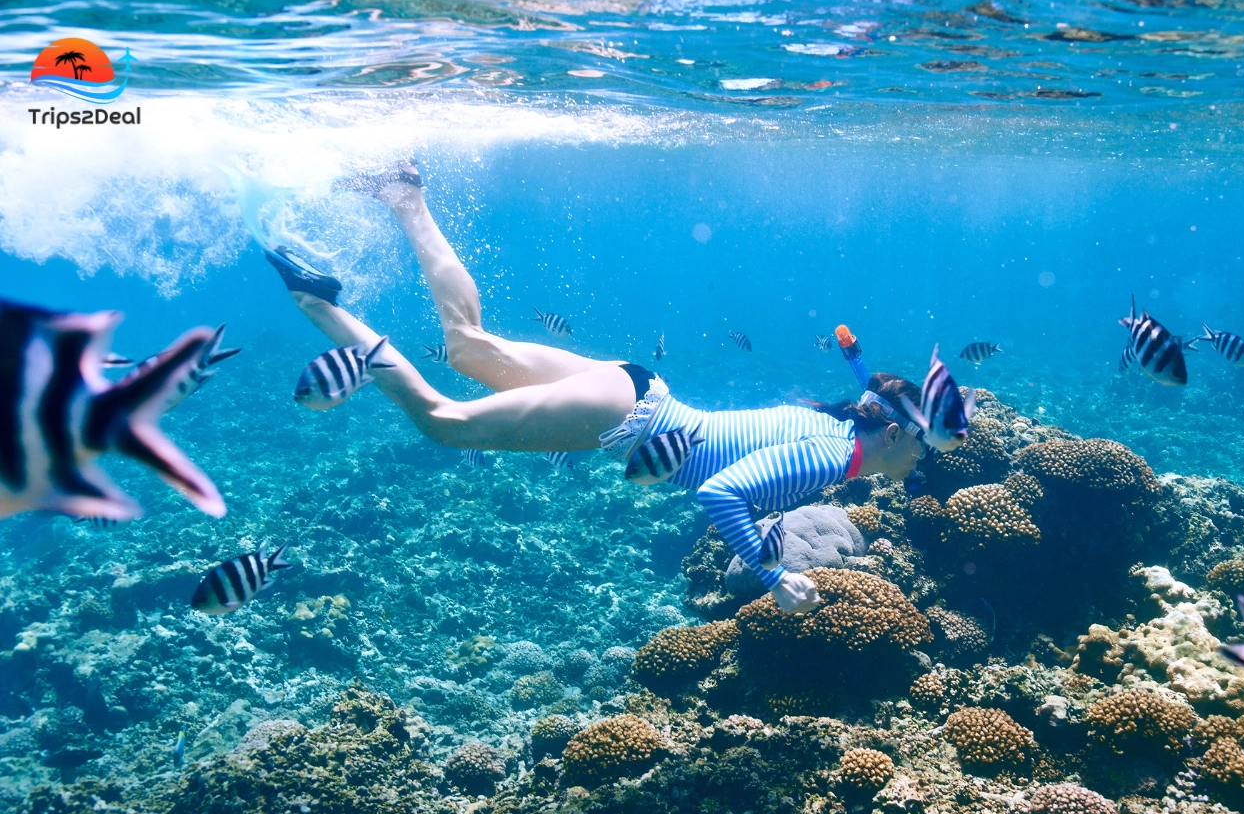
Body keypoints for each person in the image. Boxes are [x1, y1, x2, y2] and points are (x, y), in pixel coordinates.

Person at [265, 162, 932, 614]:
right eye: (922, 449)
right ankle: (317, 304)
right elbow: (720, 490)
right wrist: (771, 575)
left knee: (468, 344)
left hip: (637, 387)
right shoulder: (830, 457)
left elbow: (742, 470)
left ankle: (404, 194)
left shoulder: (837, 426)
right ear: (894, 434)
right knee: (443, 422)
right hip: (629, 421)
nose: (923, 464)